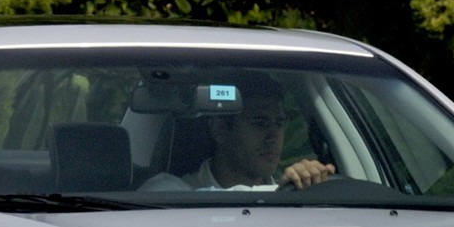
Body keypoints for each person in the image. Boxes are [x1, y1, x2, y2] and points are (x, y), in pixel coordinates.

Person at [143, 82, 335, 191]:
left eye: (279, 123)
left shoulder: (292, 187)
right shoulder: (171, 192)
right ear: (220, 130)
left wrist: (308, 184)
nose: (273, 136)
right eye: (260, 123)